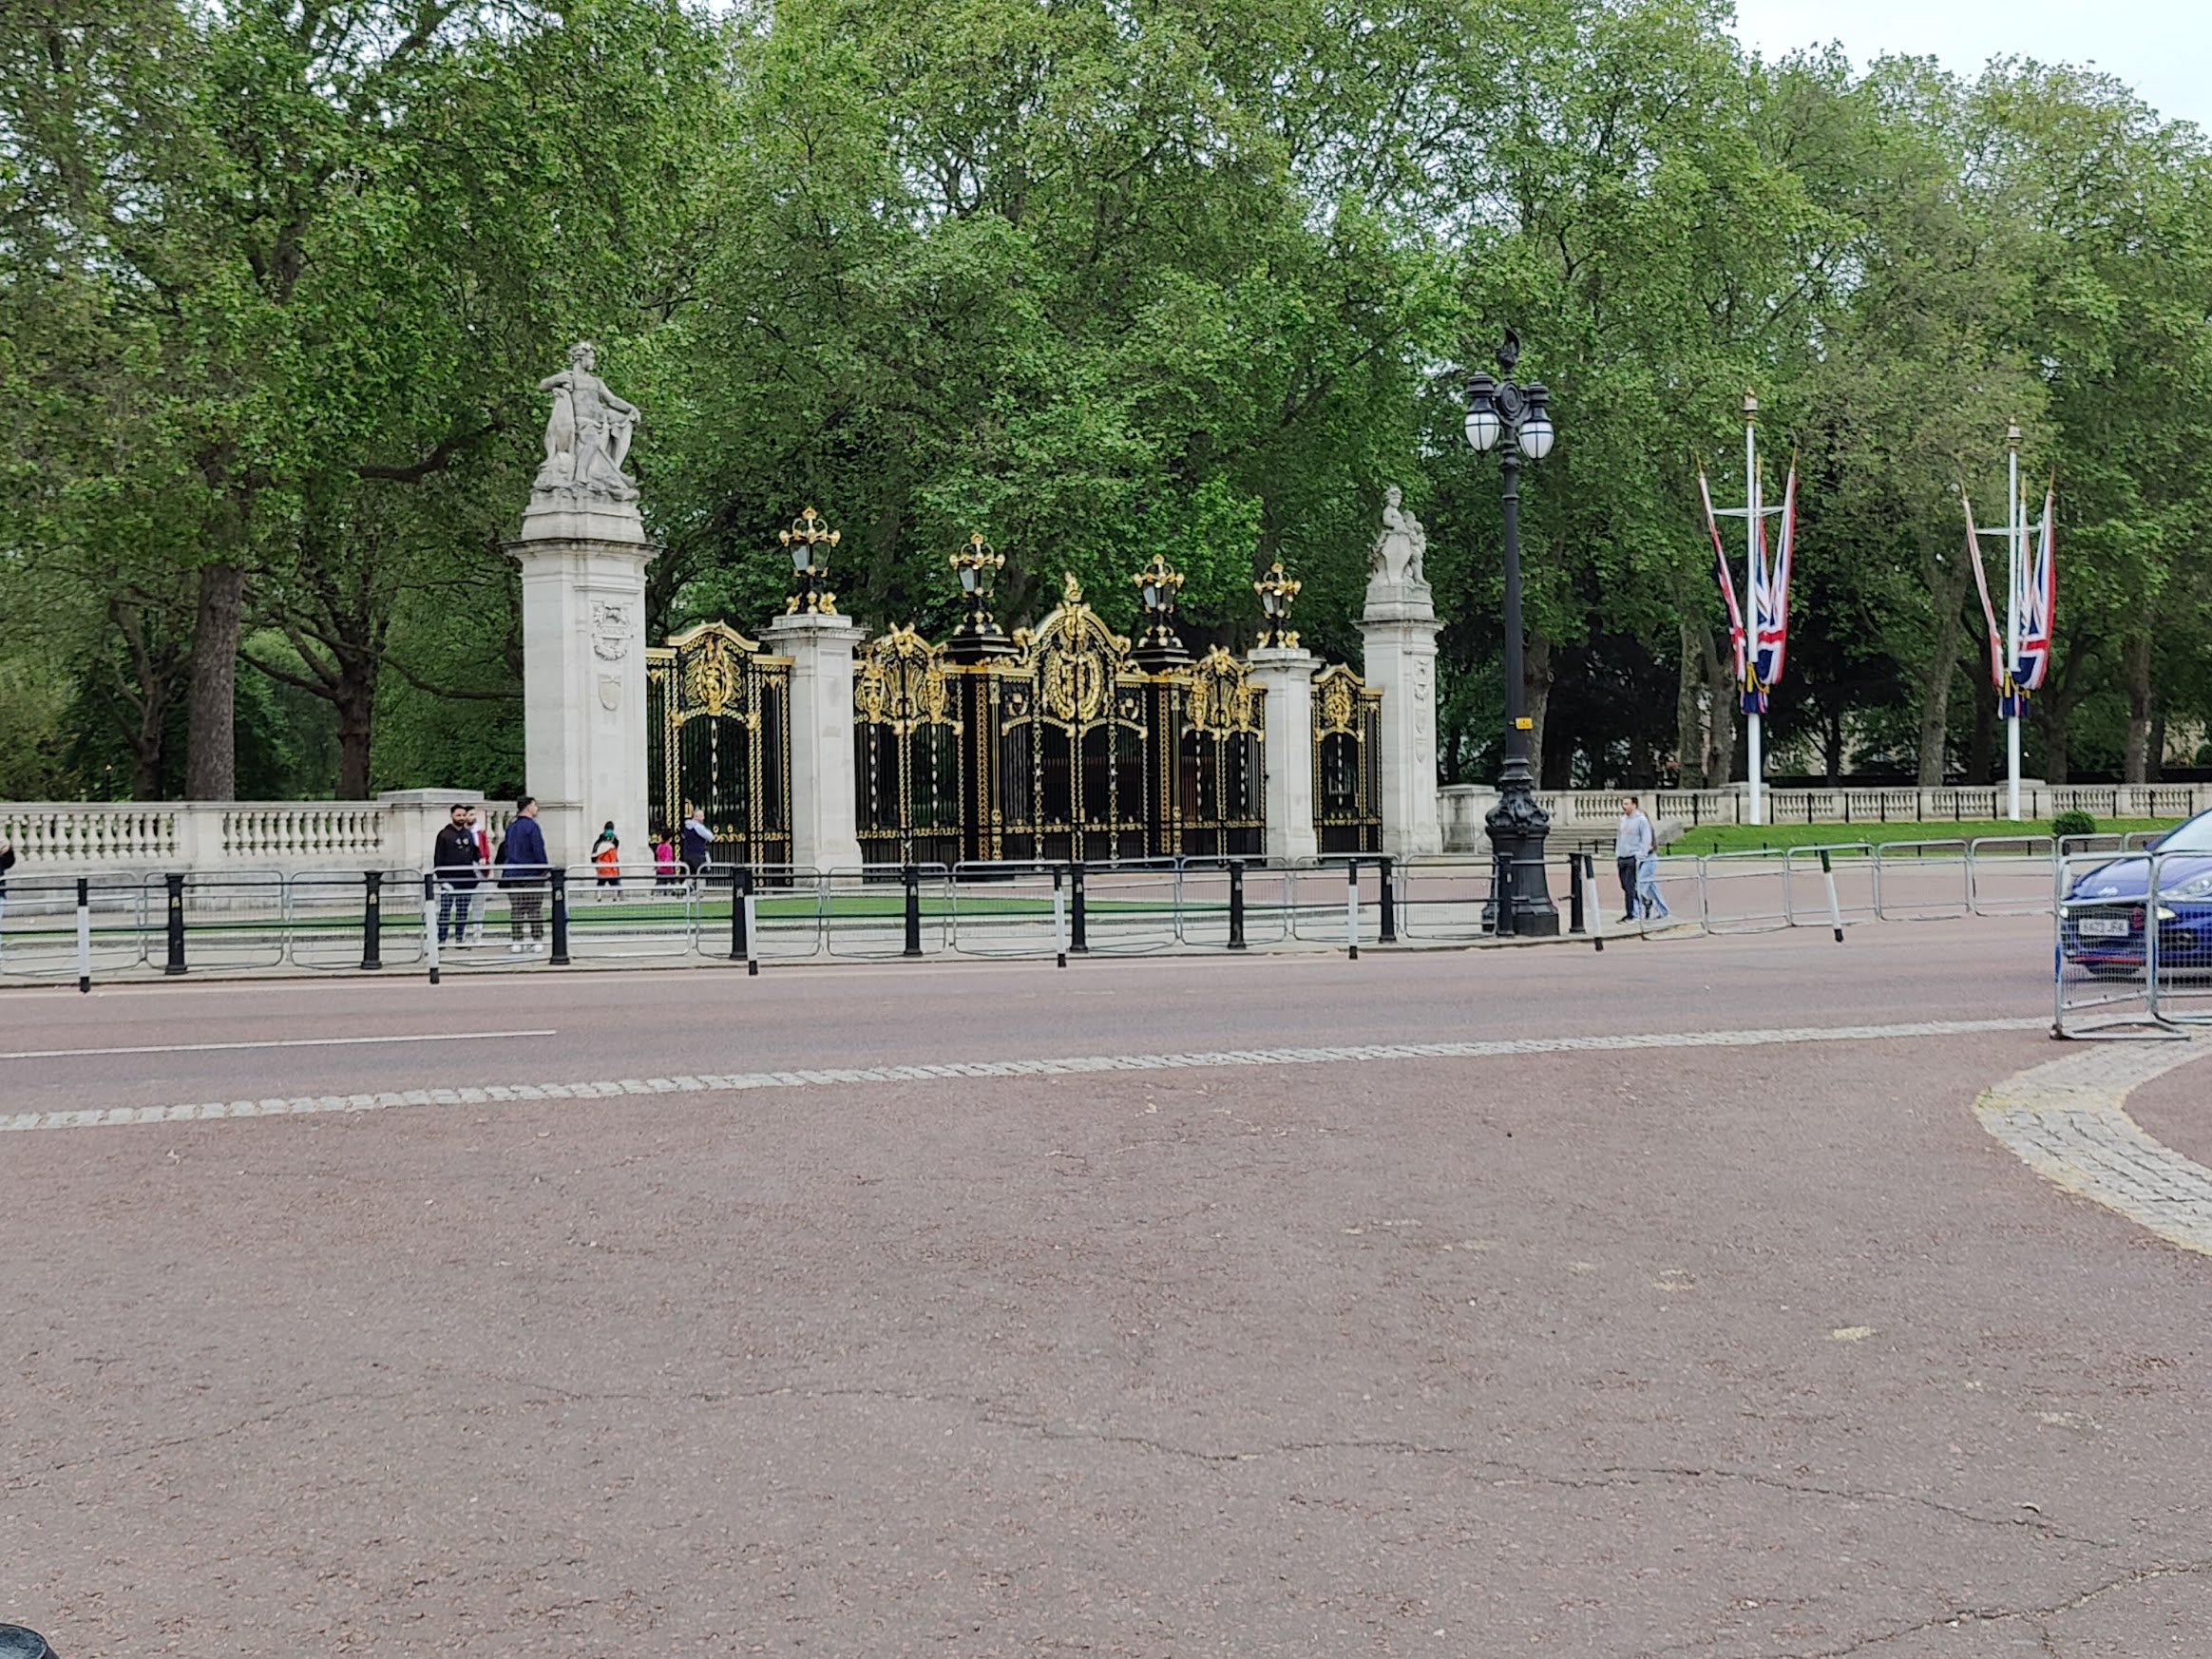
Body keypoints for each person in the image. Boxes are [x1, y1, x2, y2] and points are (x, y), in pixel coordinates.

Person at [498, 795, 551, 953]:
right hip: (531, 872)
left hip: (513, 872)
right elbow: (538, 849)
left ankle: (517, 940)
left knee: (517, 908)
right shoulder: (532, 827)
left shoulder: (511, 826)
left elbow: (506, 848)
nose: (537, 809)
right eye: (535, 805)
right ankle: (536, 939)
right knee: (534, 907)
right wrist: (544, 867)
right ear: (528, 806)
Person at [431, 804, 479, 947]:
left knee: (463, 909)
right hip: (449, 879)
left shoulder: (468, 834)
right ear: (452, 816)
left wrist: (481, 859)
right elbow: (438, 858)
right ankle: (442, 939)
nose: (462, 818)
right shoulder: (444, 835)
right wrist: (441, 879)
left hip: (466, 878)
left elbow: (475, 852)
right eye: (458, 815)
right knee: (445, 909)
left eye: (464, 815)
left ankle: (460, 937)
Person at [1614, 795, 1654, 925]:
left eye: (1626, 803)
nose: (1624, 806)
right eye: (1623, 803)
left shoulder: (1641, 820)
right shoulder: (1623, 819)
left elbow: (1646, 837)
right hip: (1622, 856)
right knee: (1624, 886)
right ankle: (1644, 902)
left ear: (1634, 805)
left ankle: (1632, 914)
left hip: (1633, 856)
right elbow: (1619, 836)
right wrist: (1618, 852)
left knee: (1630, 886)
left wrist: (1641, 855)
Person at [679, 803, 715, 887]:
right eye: (701, 816)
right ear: (696, 817)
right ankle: (700, 891)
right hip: (698, 854)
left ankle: (683, 888)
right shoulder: (698, 827)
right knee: (702, 873)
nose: (703, 818)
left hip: (688, 853)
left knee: (691, 873)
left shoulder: (686, 826)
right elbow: (710, 836)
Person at [1636, 848, 1670, 921]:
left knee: (1639, 887)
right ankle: (1663, 911)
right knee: (1652, 888)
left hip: (1648, 858)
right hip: (1641, 859)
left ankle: (1635, 913)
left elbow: (1650, 846)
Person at [591, 821, 620, 894]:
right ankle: (619, 894)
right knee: (615, 881)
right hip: (611, 865)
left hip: (601, 865)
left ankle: (598, 895)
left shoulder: (598, 842)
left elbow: (594, 854)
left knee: (601, 882)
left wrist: (595, 864)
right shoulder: (614, 841)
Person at [652, 827, 678, 892]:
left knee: (659, 885)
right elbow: (668, 858)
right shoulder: (668, 847)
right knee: (669, 885)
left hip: (659, 869)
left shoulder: (659, 846)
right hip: (668, 870)